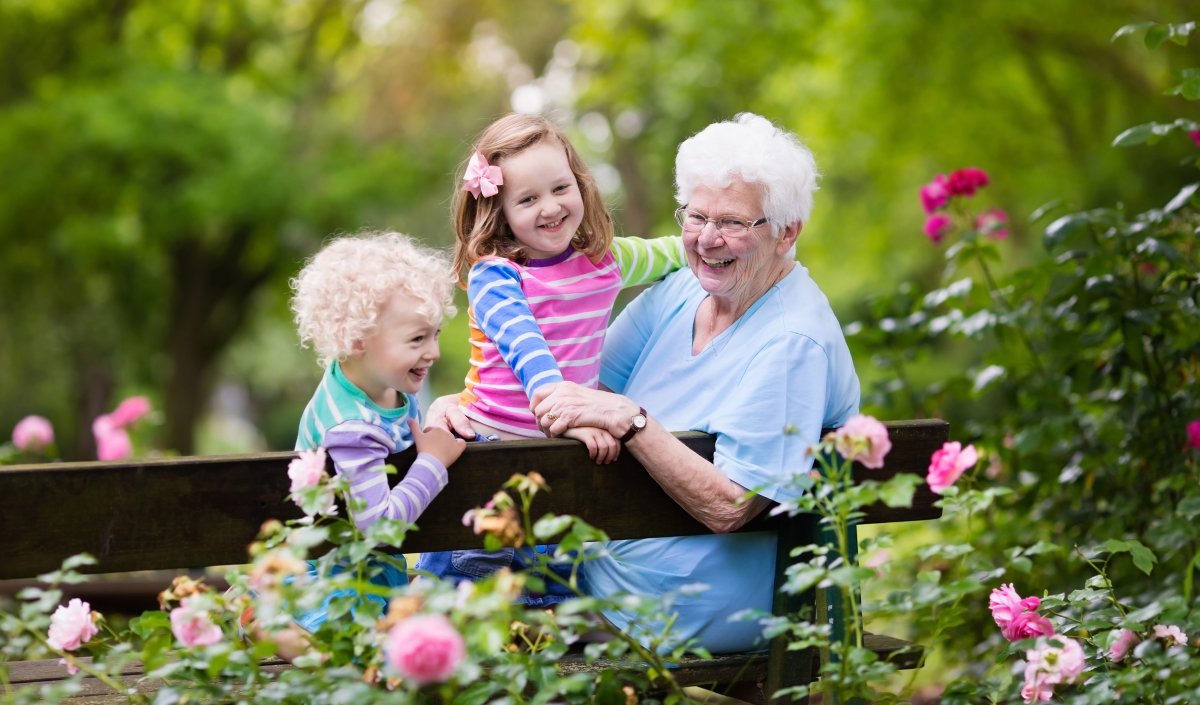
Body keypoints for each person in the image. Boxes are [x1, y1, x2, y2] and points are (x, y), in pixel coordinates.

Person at [434, 113, 860, 654]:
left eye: (732, 222)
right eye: (696, 215)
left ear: (787, 231)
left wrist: (632, 423)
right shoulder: (683, 290)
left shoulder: (793, 341)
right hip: (585, 583)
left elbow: (732, 506)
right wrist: (465, 403)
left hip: (685, 611)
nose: (707, 239)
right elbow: (576, 387)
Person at [415, 113, 687, 603]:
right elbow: (530, 358)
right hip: (489, 454)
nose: (551, 207)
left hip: (560, 460)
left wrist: (719, 242)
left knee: (552, 599)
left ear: (580, 184)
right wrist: (572, 419)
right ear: (499, 212)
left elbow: (676, 252)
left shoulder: (605, 261)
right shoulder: (496, 278)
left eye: (561, 188)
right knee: (462, 601)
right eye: (527, 199)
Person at [284, 231, 466, 644]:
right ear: (355, 339)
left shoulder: (379, 383)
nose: (434, 351)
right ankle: (276, 627)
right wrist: (432, 463)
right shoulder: (351, 427)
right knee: (359, 656)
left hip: (372, 567)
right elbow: (378, 528)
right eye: (418, 338)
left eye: (434, 333)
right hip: (334, 575)